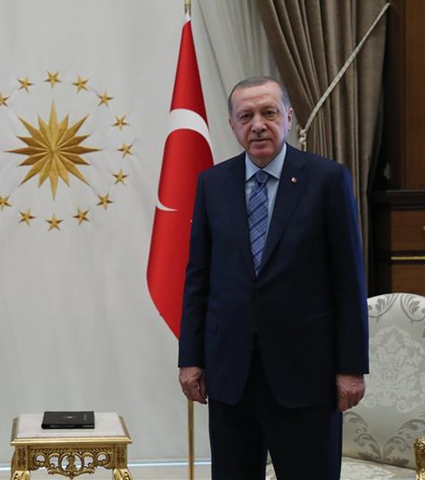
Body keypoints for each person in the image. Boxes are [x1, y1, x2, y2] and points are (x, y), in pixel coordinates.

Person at [178, 76, 368, 480]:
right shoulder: (213, 183)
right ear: (232, 125)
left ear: (289, 117)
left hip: (307, 373)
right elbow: (198, 278)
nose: (258, 125)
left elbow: (348, 281)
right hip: (231, 373)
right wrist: (191, 359)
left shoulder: (327, 180)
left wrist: (351, 367)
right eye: (246, 116)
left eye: (269, 113)